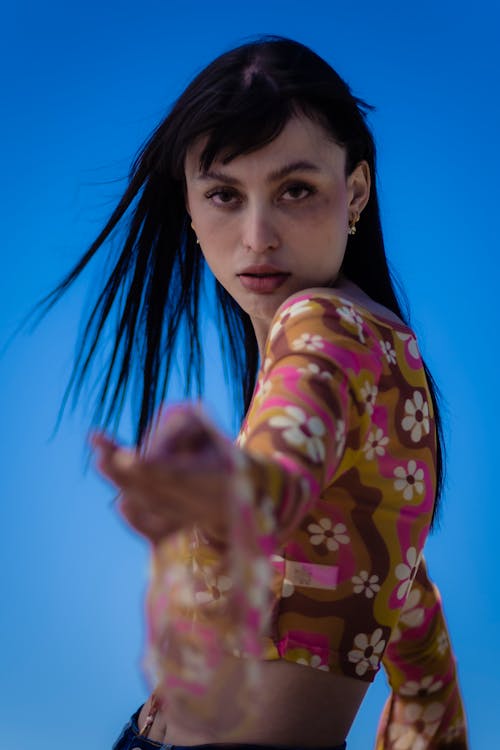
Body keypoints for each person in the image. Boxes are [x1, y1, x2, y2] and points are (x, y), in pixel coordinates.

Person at [44, 36, 468, 749]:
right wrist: (428, 716)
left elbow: (278, 483)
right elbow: (407, 610)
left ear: (355, 191)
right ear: (189, 205)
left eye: (295, 190)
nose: (256, 236)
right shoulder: (391, 361)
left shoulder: (324, 329)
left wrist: (224, 490)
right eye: (223, 195)